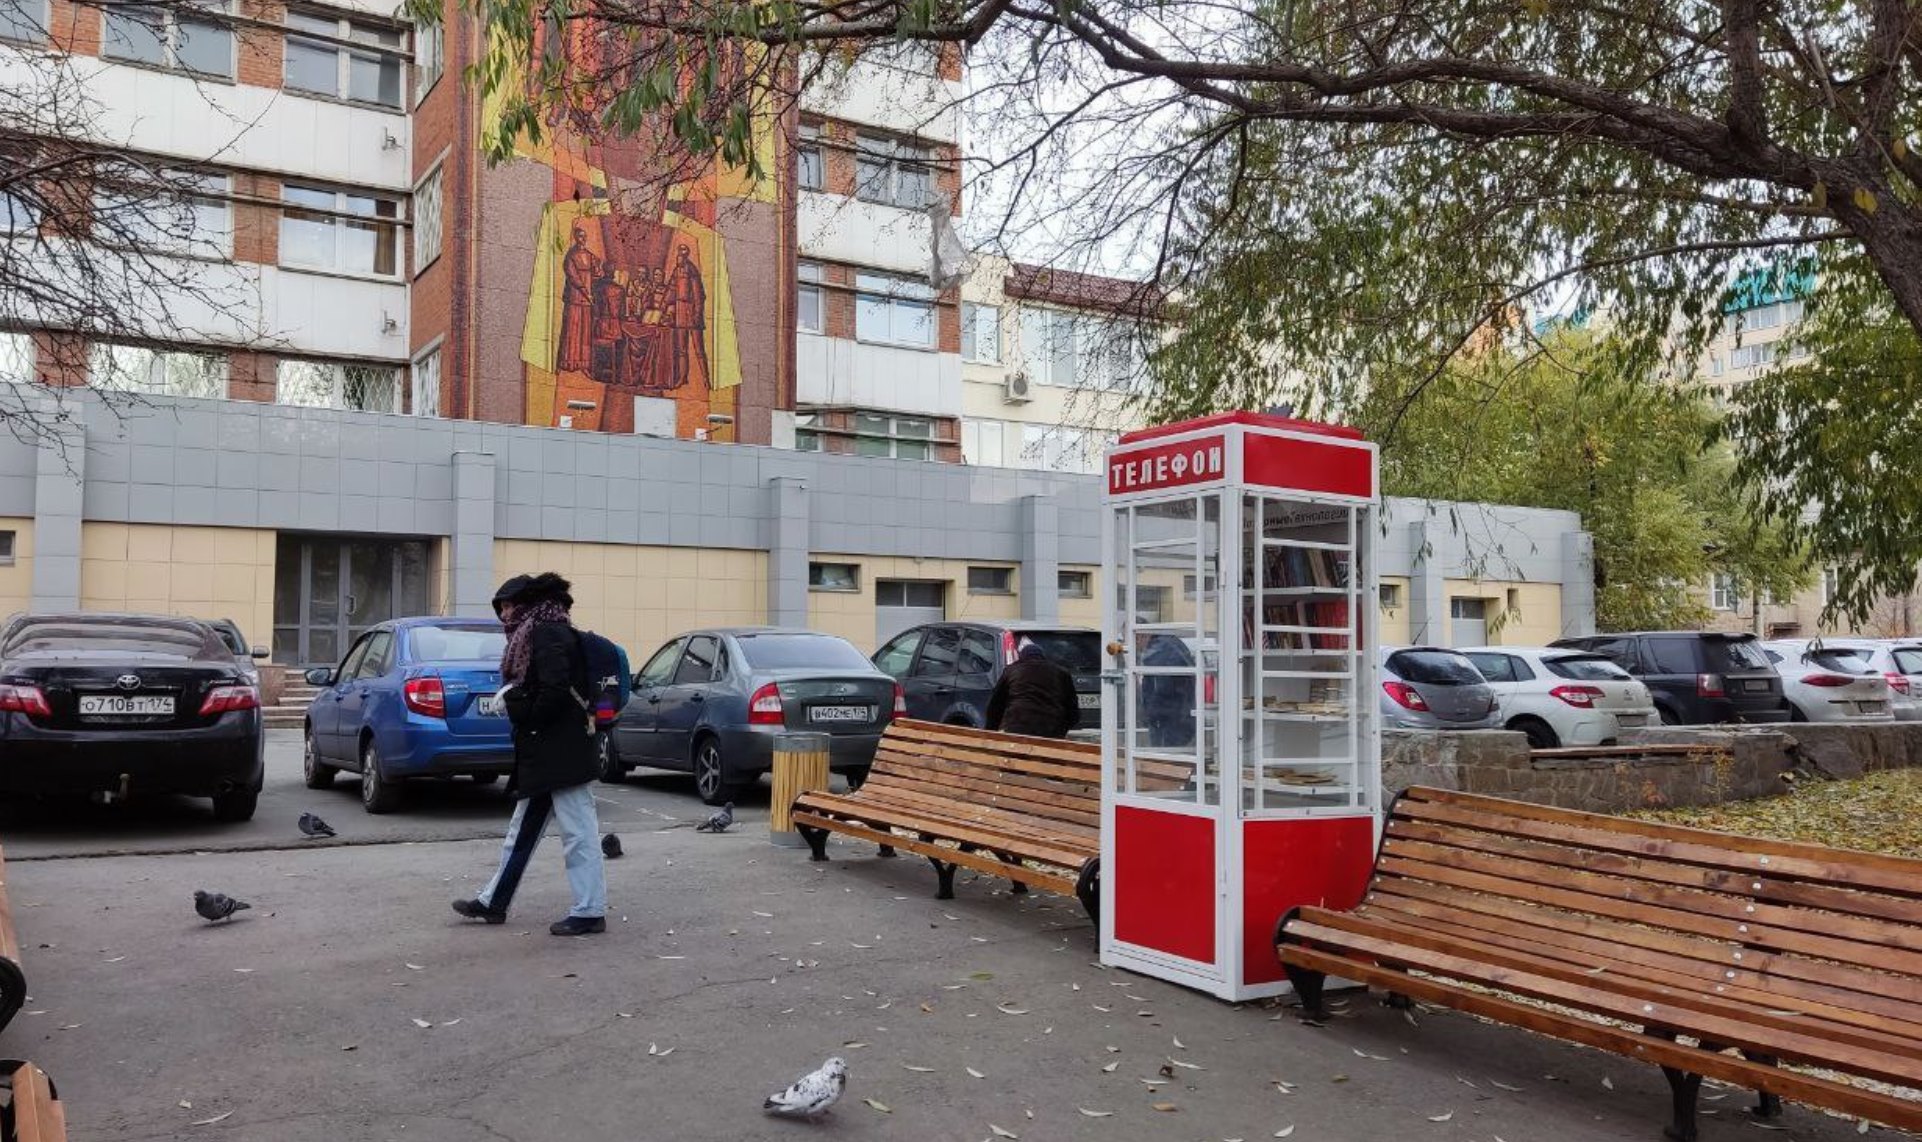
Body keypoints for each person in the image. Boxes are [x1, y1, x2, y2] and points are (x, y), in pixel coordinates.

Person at [452, 572, 608, 935]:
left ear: (524, 604)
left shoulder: (547, 632)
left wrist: (520, 707)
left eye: (507, 606)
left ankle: (590, 911)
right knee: (521, 832)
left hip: (562, 750)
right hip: (547, 750)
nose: (503, 614)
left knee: (578, 833)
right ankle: (495, 902)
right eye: (501, 608)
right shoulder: (537, 631)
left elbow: (554, 690)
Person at [985, 641, 1081, 738]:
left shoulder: (1011, 671)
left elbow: (995, 705)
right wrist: (1063, 728)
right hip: (1052, 728)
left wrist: (990, 732)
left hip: (1017, 726)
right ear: (1043, 657)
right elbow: (1072, 708)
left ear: (1021, 657)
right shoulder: (1061, 672)